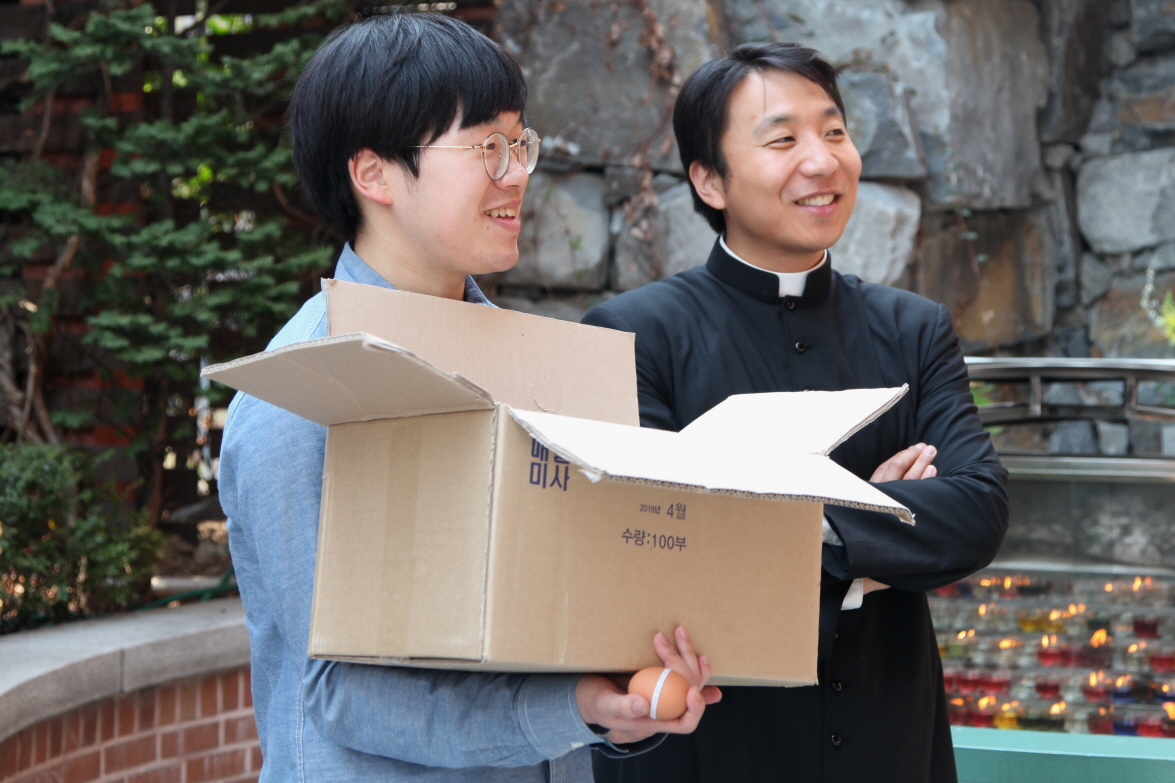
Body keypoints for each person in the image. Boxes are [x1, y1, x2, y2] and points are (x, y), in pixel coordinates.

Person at [217, 12, 719, 783]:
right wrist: (571, 706)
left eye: (520, 143)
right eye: (486, 146)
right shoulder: (302, 395)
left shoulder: (535, 367)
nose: (515, 173)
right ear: (374, 174)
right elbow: (342, 693)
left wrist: (620, 693)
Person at [584, 42, 1009, 783]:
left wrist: (793, 526)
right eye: (782, 140)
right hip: (711, 744)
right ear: (708, 180)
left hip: (887, 734)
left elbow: (977, 510)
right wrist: (872, 519)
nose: (822, 161)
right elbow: (662, 549)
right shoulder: (634, 334)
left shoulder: (913, 329)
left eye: (834, 132)